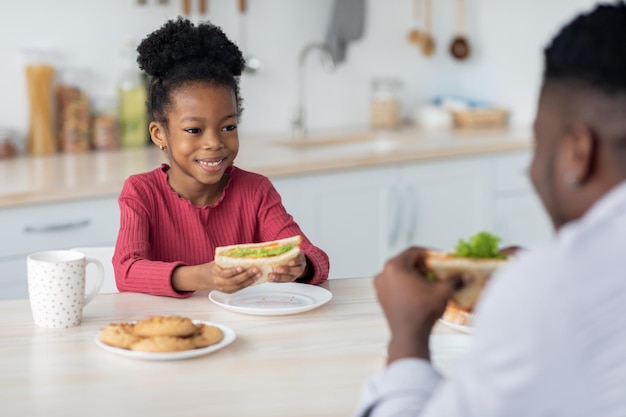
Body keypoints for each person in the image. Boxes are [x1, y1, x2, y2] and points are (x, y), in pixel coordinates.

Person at [354, 3, 626, 416]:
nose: (532, 169)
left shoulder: (546, 293)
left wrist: (407, 335)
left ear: (578, 152)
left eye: (539, 144)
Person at [112, 18, 329, 298]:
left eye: (228, 127)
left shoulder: (256, 191)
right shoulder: (142, 192)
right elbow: (126, 271)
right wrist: (204, 276)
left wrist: (301, 267)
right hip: (173, 331)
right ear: (159, 134)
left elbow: (315, 257)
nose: (214, 142)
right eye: (194, 130)